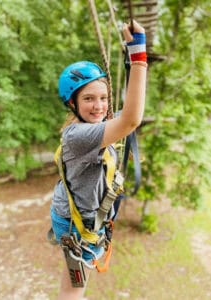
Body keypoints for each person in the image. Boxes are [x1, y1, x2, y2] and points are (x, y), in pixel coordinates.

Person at [50, 20, 147, 300]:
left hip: (78, 216)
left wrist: (133, 62)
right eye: (89, 99)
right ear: (72, 103)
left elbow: (131, 108)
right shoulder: (80, 135)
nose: (100, 106)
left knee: (76, 281)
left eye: (104, 98)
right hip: (77, 226)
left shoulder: (92, 128)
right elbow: (131, 119)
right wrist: (139, 60)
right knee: (73, 290)